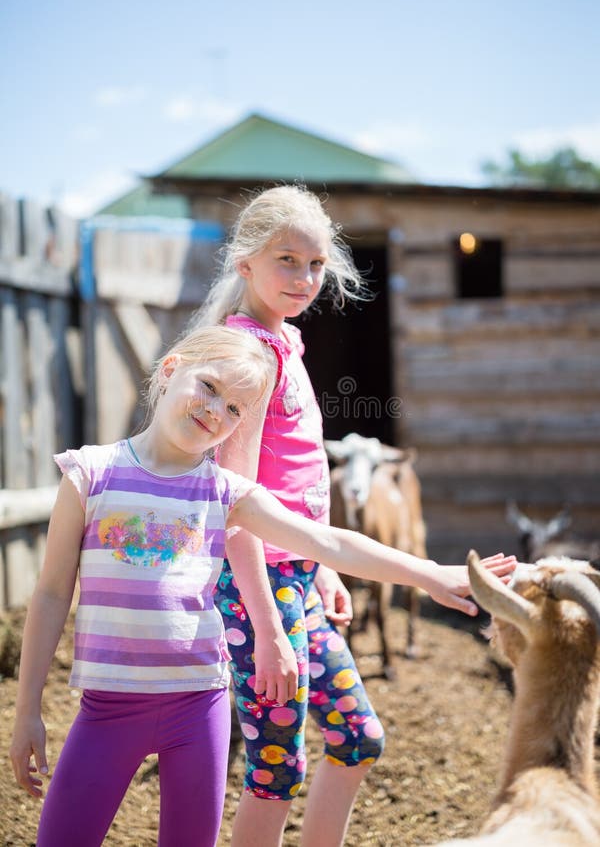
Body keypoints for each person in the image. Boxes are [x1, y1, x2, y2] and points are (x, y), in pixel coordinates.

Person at [189, 185, 517, 847]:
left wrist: (319, 570)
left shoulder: (286, 343)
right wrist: (267, 628)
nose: (304, 277)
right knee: (275, 775)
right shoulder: (246, 356)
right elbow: (236, 510)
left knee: (357, 738)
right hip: (257, 592)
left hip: (296, 581)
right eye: (287, 260)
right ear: (245, 262)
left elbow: (296, 486)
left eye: (315, 264)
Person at [10, 326, 298, 847]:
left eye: (235, 408)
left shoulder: (224, 493)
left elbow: (328, 541)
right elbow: (52, 592)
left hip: (199, 706)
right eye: (209, 387)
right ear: (170, 370)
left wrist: (430, 573)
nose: (216, 410)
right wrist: (27, 709)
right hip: (108, 709)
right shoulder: (90, 473)